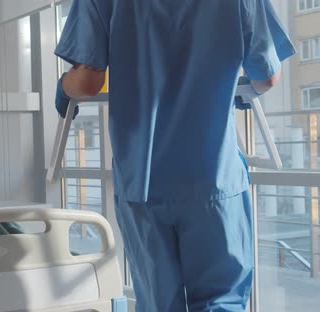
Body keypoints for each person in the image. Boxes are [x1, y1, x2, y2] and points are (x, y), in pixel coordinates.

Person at [54, 1, 295, 311]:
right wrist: (235, 89)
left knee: (158, 304)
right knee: (221, 302)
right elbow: (267, 77)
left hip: (143, 180)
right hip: (213, 177)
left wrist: (63, 86)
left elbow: (87, 82)